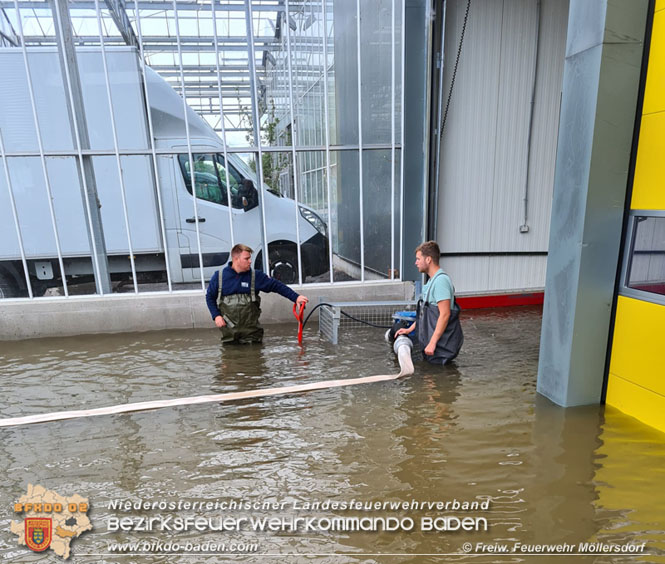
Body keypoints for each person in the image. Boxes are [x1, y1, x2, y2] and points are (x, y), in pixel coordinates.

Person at [206, 243, 308, 343]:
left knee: (255, 357)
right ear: (236, 259)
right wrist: (216, 316)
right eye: (247, 259)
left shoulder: (256, 276)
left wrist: (296, 297)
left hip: (252, 337)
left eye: (250, 258)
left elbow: (277, 286)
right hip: (229, 336)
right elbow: (209, 297)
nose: (250, 261)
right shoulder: (219, 277)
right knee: (229, 357)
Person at [395, 241, 463, 364]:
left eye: (418, 259)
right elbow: (424, 314)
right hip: (431, 349)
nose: (416, 263)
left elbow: (445, 314)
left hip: (440, 350)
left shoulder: (441, 281)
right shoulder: (432, 281)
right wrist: (409, 330)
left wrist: (432, 343)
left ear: (428, 260)